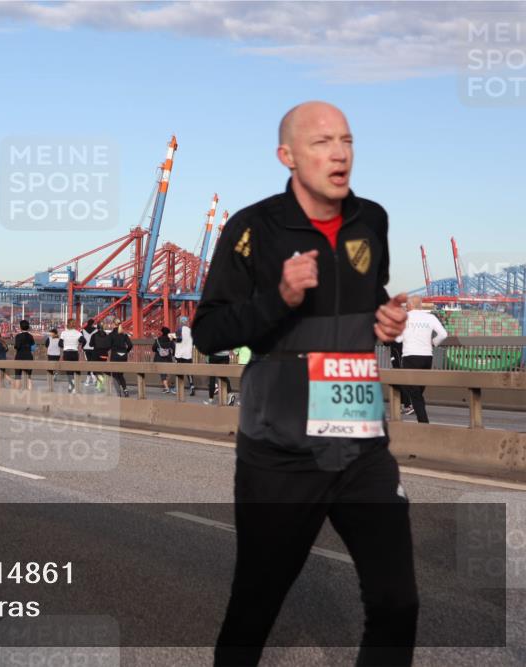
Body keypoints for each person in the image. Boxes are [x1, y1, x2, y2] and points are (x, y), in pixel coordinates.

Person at [192, 101, 416, 666]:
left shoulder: (374, 220)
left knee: (396, 603)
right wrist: (280, 299)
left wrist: (382, 321)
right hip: (282, 451)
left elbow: (362, 306)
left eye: (346, 139)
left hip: (363, 446)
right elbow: (210, 331)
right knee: (255, 608)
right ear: (287, 156)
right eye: (321, 142)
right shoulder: (253, 228)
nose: (339, 152)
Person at [396, 296, 448, 424]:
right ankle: (422, 419)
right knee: (417, 391)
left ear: (410, 305)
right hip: (426, 357)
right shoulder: (430, 317)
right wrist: (433, 342)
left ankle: (424, 423)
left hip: (410, 357)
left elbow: (397, 339)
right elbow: (444, 334)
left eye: (406, 305)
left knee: (413, 391)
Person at [107, 321, 133, 397]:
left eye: (112, 324)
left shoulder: (111, 334)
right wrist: (126, 351)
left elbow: (108, 345)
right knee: (120, 374)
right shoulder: (124, 335)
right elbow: (130, 345)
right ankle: (125, 390)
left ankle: (118, 392)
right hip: (123, 356)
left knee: (115, 375)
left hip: (115, 355)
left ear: (113, 324)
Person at [58, 319, 84, 394]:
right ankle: (76, 387)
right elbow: (83, 340)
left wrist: (66, 345)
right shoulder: (78, 333)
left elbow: (60, 344)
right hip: (75, 352)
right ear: (74, 324)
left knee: (69, 371)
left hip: (66, 352)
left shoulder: (63, 333)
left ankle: (71, 385)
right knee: (76, 369)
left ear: (67, 324)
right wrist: (79, 346)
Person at [173, 315, 195, 394]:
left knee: (178, 371)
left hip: (179, 354)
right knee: (189, 372)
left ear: (181, 322)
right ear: (187, 322)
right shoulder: (191, 331)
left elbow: (178, 340)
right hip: (188, 354)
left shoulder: (179, 330)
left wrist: (172, 337)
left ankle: (177, 388)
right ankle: (192, 386)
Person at [13, 319, 35, 390]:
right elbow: (33, 348)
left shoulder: (18, 336)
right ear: (28, 327)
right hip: (29, 356)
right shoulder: (31, 336)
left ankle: (16, 394)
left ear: (20, 327)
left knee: (18, 376)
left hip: (19, 356)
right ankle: (30, 394)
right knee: (29, 377)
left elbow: (17, 346)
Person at [153, 326, 176, 393]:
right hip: (168, 359)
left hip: (159, 359)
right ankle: (167, 387)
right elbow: (174, 349)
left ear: (162, 332)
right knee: (167, 373)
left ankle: (166, 388)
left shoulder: (158, 340)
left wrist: (159, 349)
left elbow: (153, 349)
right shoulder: (170, 340)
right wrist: (172, 355)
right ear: (168, 333)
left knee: (162, 374)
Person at [89, 322, 111, 392]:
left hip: (96, 354)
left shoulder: (94, 335)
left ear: (97, 328)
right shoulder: (107, 336)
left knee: (95, 370)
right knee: (101, 370)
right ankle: (99, 386)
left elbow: (90, 345)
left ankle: (101, 382)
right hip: (104, 354)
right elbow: (109, 346)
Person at [81, 318, 98, 386]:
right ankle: (93, 379)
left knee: (88, 364)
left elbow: (82, 340)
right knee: (92, 364)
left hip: (86, 348)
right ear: (93, 323)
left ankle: (88, 381)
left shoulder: (83, 330)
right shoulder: (96, 330)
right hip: (94, 348)